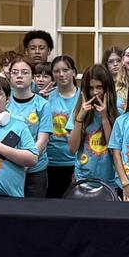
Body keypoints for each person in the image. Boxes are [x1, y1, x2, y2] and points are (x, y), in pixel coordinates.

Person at [0, 55, 53, 198]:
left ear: (33, 77)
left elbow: (43, 140)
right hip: (7, 168)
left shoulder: (42, 104)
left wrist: (26, 162)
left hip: (35, 170)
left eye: (25, 72)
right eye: (15, 72)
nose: (19, 76)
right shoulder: (4, 103)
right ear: (9, 76)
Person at [69, 64, 119, 190]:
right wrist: (80, 118)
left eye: (99, 87)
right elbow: (73, 149)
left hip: (110, 180)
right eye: (91, 88)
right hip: (83, 179)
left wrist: (104, 118)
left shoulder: (119, 113)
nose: (95, 92)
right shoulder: (79, 111)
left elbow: (114, 150)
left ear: (108, 88)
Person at [42, 56, 81, 198]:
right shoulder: (47, 97)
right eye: (57, 71)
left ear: (74, 72)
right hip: (49, 161)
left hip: (74, 161)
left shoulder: (82, 97)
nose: (61, 74)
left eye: (66, 70)